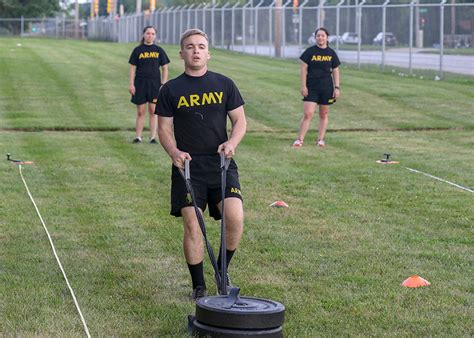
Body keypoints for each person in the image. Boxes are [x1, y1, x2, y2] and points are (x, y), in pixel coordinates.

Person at [156, 29, 247, 300]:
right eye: (190, 46)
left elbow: (240, 121)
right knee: (193, 225)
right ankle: (198, 286)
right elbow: (163, 128)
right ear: (181, 53)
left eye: (201, 46)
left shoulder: (224, 84)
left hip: (221, 164)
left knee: (235, 217)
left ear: (209, 53)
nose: (196, 50)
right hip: (188, 167)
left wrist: (232, 143)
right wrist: (173, 151)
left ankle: (222, 270)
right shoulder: (171, 89)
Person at [293, 27, 341, 148]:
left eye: (322, 35)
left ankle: (320, 139)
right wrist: (303, 86)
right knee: (308, 113)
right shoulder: (309, 52)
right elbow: (303, 70)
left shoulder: (331, 53)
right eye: (318, 36)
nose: (320, 38)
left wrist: (337, 87)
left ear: (327, 38)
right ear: (315, 38)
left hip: (326, 88)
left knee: (323, 114)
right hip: (312, 88)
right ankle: (300, 140)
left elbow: (335, 70)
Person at [128, 26, 170, 144]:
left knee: (153, 111)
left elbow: (165, 67)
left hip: (154, 84)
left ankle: (152, 137)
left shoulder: (159, 50)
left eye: (152, 34)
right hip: (140, 83)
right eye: (148, 33)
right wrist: (131, 84)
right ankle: (138, 136)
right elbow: (132, 68)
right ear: (143, 34)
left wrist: (164, 83)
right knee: (141, 111)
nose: (150, 35)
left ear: (155, 36)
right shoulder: (138, 50)